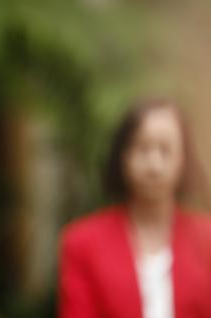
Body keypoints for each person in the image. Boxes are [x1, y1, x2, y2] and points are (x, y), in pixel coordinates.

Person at [58, 98, 211, 318]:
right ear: (123, 156)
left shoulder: (207, 240)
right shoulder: (82, 243)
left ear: (183, 159)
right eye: (143, 148)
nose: (154, 164)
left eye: (165, 150)